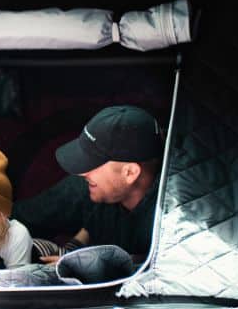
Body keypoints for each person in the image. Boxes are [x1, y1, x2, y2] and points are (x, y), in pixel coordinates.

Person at [13, 105, 164, 264]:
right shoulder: (92, 187)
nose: (81, 173)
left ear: (130, 173)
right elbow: (22, 216)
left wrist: (93, 267)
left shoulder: (170, 222)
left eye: (91, 162)